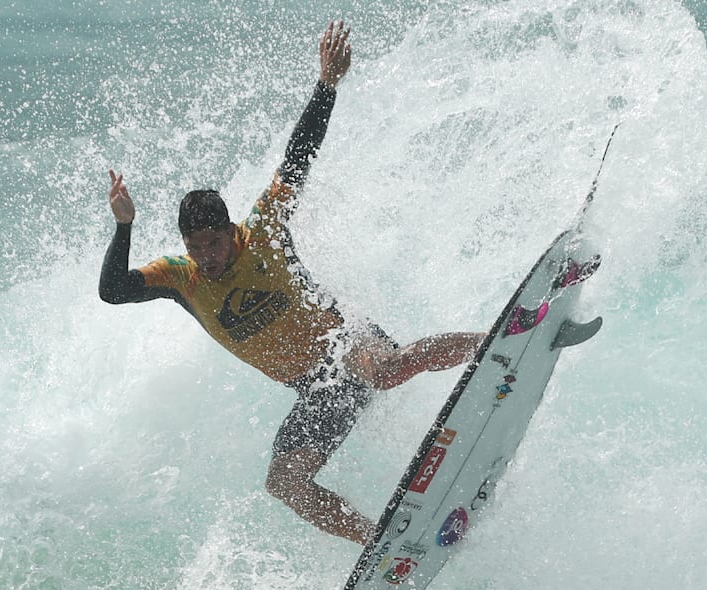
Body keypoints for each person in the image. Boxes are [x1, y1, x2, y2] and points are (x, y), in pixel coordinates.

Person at [99, 21, 484, 546]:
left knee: (388, 368)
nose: (207, 257)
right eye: (196, 248)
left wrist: (327, 84)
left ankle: (496, 342)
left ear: (230, 231)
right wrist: (124, 227)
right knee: (285, 482)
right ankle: (379, 543)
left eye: (213, 244)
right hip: (318, 389)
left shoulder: (263, 229)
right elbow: (113, 290)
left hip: (345, 343)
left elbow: (299, 155)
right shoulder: (180, 278)